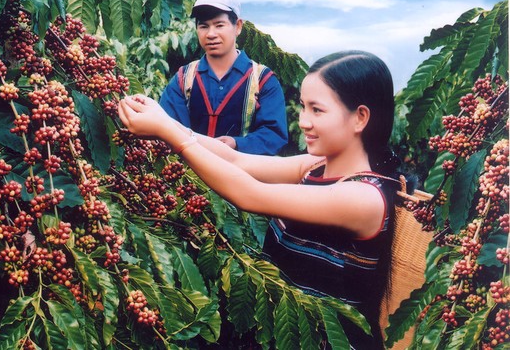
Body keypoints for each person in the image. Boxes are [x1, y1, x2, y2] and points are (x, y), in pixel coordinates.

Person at [119, 50, 403, 348]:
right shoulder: (315, 166)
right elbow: (235, 160)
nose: (304, 121)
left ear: (360, 117)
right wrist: (167, 123)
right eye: (303, 107)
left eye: (317, 110)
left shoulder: (362, 197)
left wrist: (170, 135)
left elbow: (250, 194)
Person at [159, 0, 288, 155]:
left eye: (219, 25)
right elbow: (166, 126)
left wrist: (237, 143)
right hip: (189, 176)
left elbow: (274, 134)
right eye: (203, 26)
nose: (211, 34)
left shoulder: (263, 80)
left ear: (238, 26)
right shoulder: (184, 78)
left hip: (243, 177)